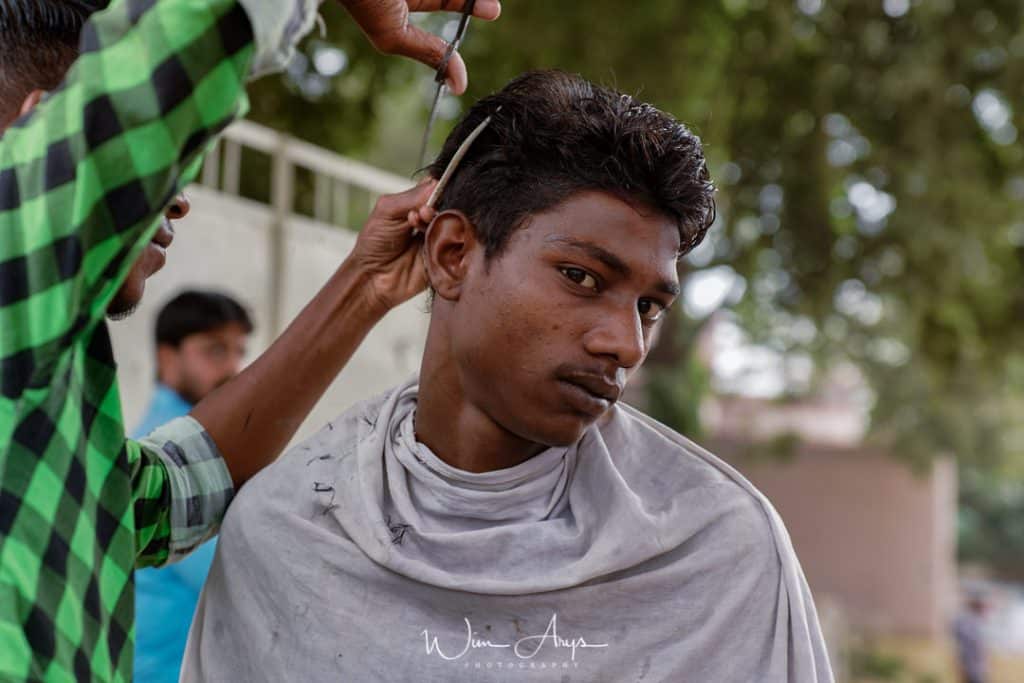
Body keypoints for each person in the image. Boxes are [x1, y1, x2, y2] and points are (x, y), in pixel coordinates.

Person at [183, 70, 835, 682]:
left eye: (649, 307)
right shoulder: (289, 529)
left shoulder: (716, 556)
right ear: (453, 253)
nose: (627, 344)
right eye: (582, 277)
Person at [0, 0, 501, 680]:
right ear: (40, 132)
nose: (180, 201)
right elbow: (186, 41)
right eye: (164, 161)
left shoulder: (44, 413)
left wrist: (366, 286)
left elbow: (176, 488)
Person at [131, 290, 253, 683]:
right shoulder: (163, 454)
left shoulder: (212, 446)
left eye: (239, 351)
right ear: (168, 358)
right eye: (215, 351)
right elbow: (239, 572)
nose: (233, 367)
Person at [953, 595, 989, 683]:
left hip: (976, 667)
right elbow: (969, 644)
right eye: (984, 608)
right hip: (971, 667)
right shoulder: (969, 622)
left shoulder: (976, 623)